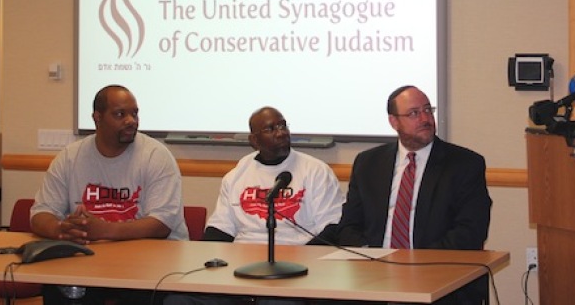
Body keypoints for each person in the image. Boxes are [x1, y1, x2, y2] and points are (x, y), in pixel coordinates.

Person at [164, 106, 344, 305]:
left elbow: (332, 229)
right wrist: (208, 265)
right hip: (240, 268)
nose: (281, 133)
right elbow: (220, 230)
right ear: (254, 141)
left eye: (283, 126)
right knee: (178, 300)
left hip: (295, 270)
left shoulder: (315, 171)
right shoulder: (237, 175)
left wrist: (297, 262)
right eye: (271, 129)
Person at [31, 84, 188, 305]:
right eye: (120, 114)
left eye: (134, 113)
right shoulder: (70, 157)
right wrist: (62, 230)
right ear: (97, 118)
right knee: (60, 291)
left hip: (151, 264)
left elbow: (160, 224)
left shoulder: (156, 156)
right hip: (90, 261)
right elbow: (40, 213)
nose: (131, 120)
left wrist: (103, 230)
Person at [334, 85, 492, 304]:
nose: (425, 118)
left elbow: (470, 232)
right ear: (394, 122)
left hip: (436, 275)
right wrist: (372, 257)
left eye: (428, 110)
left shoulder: (464, 164)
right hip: (373, 274)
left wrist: (413, 263)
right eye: (414, 113)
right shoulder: (368, 163)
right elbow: (349, 226)